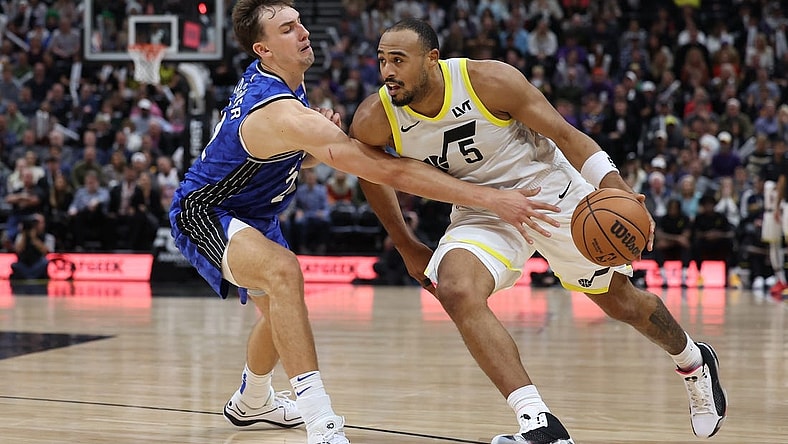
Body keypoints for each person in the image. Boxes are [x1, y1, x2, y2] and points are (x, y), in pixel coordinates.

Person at [169, 3, 554, 444]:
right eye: (288, 29)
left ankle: (253, 401)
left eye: (300, 22)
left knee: (280, 311)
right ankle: (321, 423)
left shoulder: (283, 83)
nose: (303, 32)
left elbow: (286, 155)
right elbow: (386, 171)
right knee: (284, 274)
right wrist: (488, 198)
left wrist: (315, 147)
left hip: (255, 213)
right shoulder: (279, 109)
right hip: (207, 211)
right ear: (264, 49)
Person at [348, 19, 727, 444]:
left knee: (621, 302)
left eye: (398, 60)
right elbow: (369, 171)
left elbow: (565, 134)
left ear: (432, 59)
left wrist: (615, 185)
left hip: (550, 192)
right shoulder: (376, 117)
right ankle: (539, 423)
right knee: (454, 288)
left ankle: (693, 360)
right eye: (382, 60)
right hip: (482, 208)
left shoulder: (488, 81)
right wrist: (405, 244)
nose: (387, 72)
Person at [10, 213, 54, 280]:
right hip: (24, 263)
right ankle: (30, 276)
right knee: (15, 265)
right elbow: (18, 250)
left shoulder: (48, 237)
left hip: (39, 264)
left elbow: (47, 252)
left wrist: (34, 239)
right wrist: (24, 235)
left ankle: (30, 276)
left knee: (44, 262)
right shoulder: (21, 236)